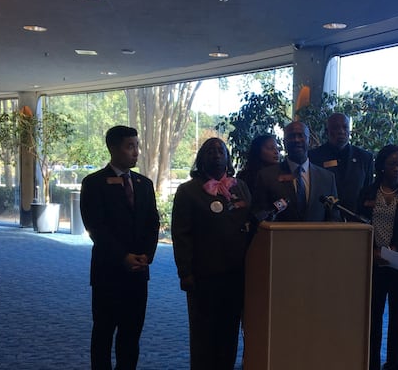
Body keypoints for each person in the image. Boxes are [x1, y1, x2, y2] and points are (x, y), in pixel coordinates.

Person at [80, 125, 161, 370]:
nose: (136, 152)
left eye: (137, 145)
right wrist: (122, 257)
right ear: (113, 148)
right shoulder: (94, 183)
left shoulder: (144, 183)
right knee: (104, 333)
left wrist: (147, 255)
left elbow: (152, 223)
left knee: (131, 334)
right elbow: (96, 228)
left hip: (138, 273)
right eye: (130, 146)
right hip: (108, 272)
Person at [171, 137, 253, 369]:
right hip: (203, 275)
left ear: (227, 157)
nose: (216, 153)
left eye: (221, 150)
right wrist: (184, 272)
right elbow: (181, 233)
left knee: (229, 331)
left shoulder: (240, 187)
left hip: (236, 274)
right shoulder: (188, 191)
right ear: (200, 159)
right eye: (210, 151)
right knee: (204, 334)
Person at [357, 145, 398, 370]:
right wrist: (373, 250)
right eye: (392, 164)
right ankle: (371, 363)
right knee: (372, 318)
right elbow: (358, 226)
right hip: (373, 263)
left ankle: (394, 364)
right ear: (382, 166)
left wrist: (397, 248)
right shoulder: (367, 192)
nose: (397, 169)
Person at [253, 121, 339, 222]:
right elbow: (259, 214)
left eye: (300, 135)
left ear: (309, 141)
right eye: (291, 136)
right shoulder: (267, 176)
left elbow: (334, 218)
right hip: (280, 236)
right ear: (284, 142)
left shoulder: (327, 178)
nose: (296, 140)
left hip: (317, 237)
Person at [309, 112, 374, 216]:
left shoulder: (365, 158)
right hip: (323, 220)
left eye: (345, 127)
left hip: (355, 220)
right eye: (336, 127)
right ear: (327, 131)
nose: (341, 131)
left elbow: (368, 192)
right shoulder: (313, 157)